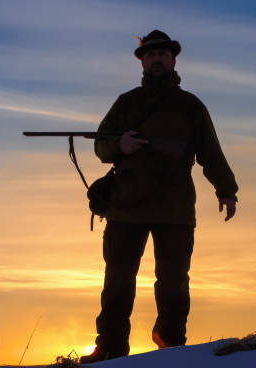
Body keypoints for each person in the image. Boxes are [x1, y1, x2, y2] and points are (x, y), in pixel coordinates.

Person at [80, 30, 239, 363]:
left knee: (174, 284)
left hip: (176, 210)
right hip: (126, 207)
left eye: (162, 55)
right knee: (117, 283)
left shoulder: (190, 106)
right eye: (150, 55)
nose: (156, 60)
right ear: (142, 61)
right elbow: (100, 145)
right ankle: (110, 348)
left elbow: (210, 151)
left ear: (173, 60)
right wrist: (118, 145)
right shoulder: (126, 103)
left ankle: (171, 346)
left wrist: (226, 190)